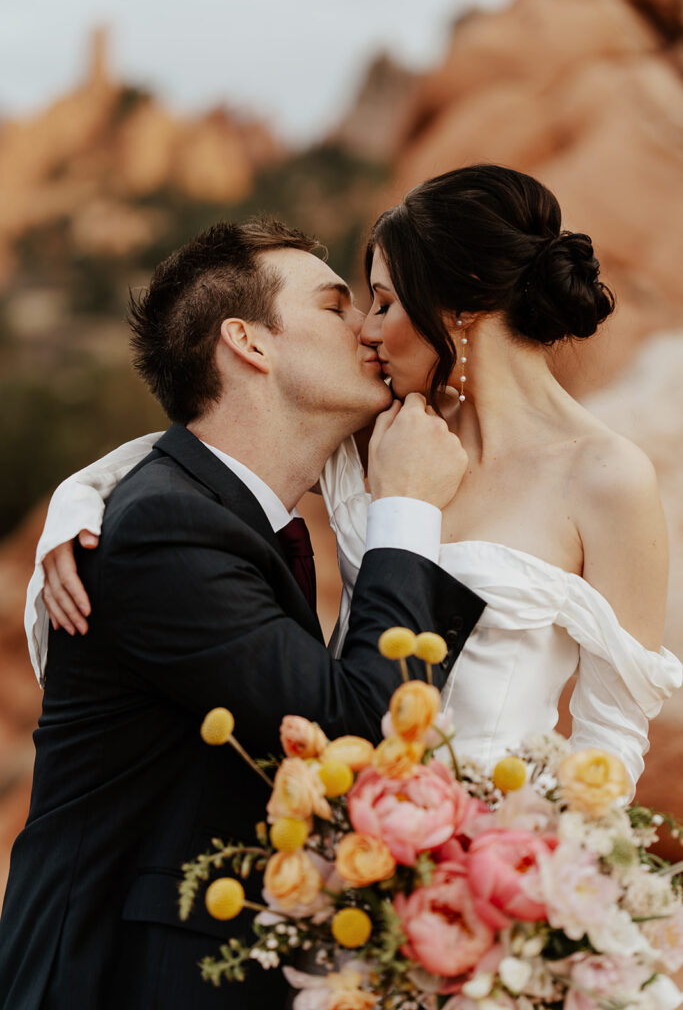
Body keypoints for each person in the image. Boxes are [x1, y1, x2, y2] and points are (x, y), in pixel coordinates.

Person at [29, 165, 682, 786]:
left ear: (462, 302)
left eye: (383, 302)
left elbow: (611, 739)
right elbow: (215, 451)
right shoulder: (381, 439)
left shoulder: (606, 477)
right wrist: (79, 494)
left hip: (502, 859)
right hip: (343, 844)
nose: (366, 331)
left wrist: (537, 872)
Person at [0, 219, 485, 1010]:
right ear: (248, 344)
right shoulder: (166, 528)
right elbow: (357, 733)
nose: (367, 329)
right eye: (335, 307)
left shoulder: (195, 507)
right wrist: (404, 510)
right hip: (114, 981)